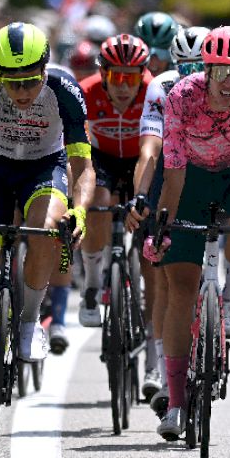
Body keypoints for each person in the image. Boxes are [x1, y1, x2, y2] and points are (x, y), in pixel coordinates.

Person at [0, 22, 94, 433]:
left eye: (30, 81)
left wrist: (79, 212)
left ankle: (28, 319)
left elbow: (83, 165)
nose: (23, 92)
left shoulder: (64, 89)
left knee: (46, 226)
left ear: (45, 67)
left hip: (45, 168)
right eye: (13, 82)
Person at [133, 26, 230, 440]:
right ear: (207, 68)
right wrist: (160, 227)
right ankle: (176, 403)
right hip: (191, 179)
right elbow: (173, 172)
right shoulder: (182, 96)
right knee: (180, 289)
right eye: (223, 72)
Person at [133, 24, 209, 410]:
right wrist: (140, 196)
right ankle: (163, 370)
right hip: (173, 166)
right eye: (185, 67)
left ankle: (224, 305)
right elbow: (150, 149)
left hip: (216, 167)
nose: (192, 76)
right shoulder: (161, 87)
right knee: (165, 276)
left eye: (201, 67)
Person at [76, 35, 153, 358]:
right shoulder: (86, 92)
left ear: (143, 75)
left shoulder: (153, 92)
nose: (123, 86)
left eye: (131, 77)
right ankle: (93, 284)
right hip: (102, 159)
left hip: (140, 159)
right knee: (99, 202)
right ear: (103, 74)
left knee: (149, 210)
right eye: (116, 77)